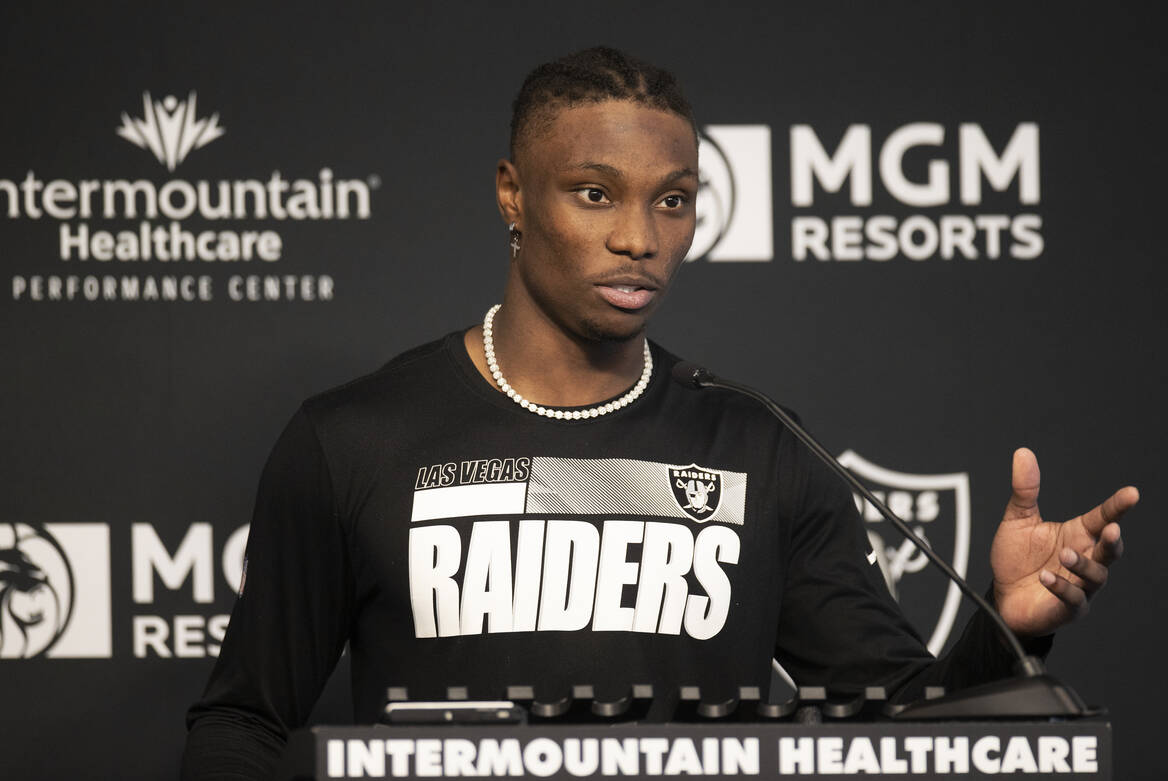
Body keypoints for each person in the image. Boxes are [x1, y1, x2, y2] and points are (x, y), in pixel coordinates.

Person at [180, 47, 1135, 780]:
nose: (639, 238)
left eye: (672, 201)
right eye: (595, 195)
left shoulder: (760, 444)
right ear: (513, 194)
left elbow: (899, 726)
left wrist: (1006, 628)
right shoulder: (353, 439)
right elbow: (242, 724)